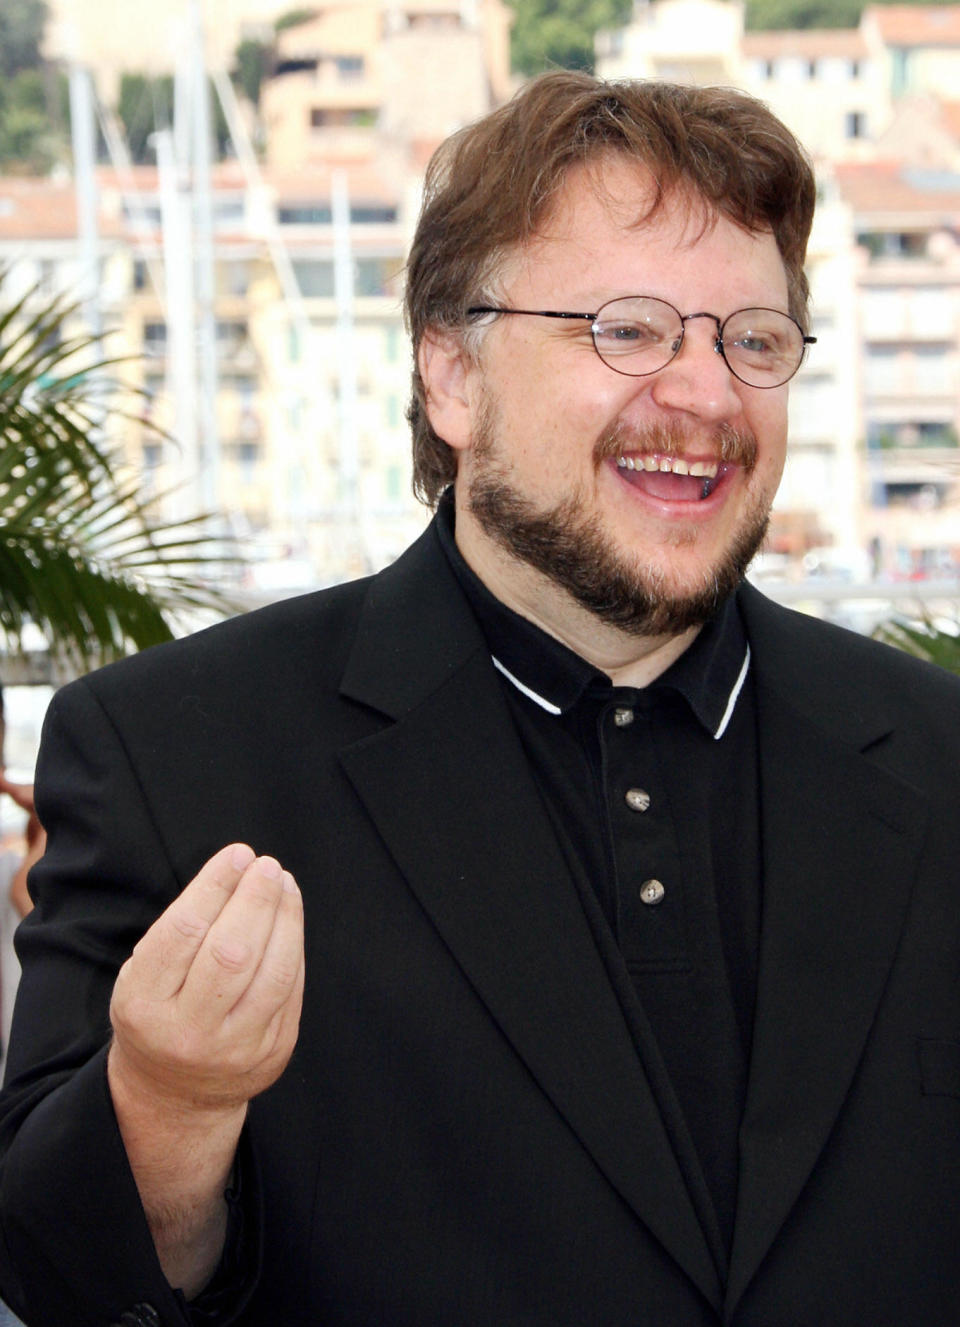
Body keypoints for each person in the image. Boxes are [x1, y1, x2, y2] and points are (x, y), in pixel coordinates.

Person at [0, 71, 958, 1327]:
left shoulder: (939, 759)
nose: (709, 396)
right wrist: (169, 1107)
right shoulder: (173, 753)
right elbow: (57, 1282)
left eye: (754, 340)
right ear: (452, 375)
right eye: (629, 327)